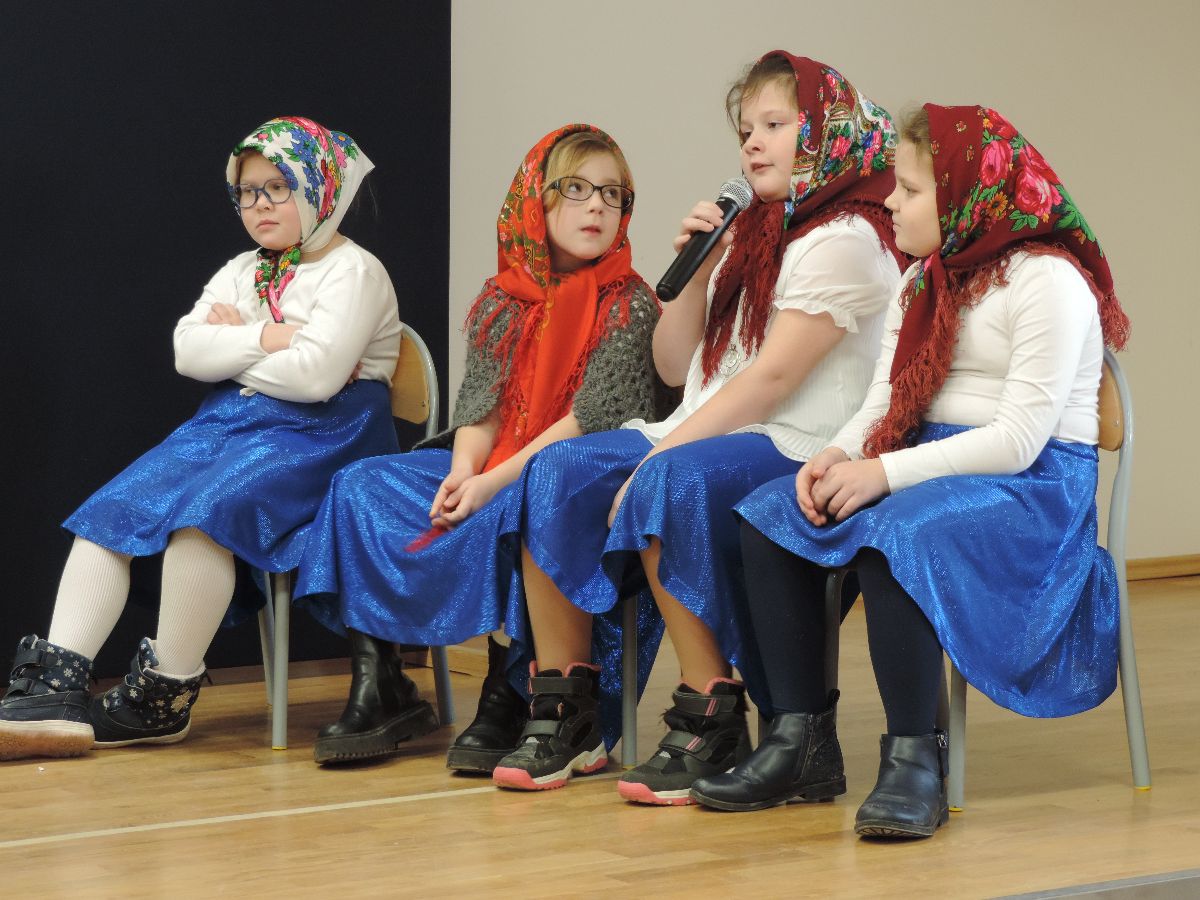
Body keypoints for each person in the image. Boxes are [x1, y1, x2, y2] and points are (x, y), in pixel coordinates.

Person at [691, 104, 1131, 839]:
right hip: (930, 463)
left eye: (911, 189)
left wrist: (885, 474)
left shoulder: (1049, 280)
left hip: (1032, 489)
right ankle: (800, 742)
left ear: (963, 195)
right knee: (769, 517)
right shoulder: (923, 280)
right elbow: (884, 399)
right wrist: (839, 454)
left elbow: (1019, 440)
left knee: (898, 530)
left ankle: (914, 758)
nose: (891, 201)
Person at [490, 52, 903, 800]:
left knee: (671, 477)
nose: (753, 143)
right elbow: (678, 367)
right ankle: (567, 705)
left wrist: (657, 461)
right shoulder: (752, 233)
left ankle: (710, 711)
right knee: (555, 471)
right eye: (746, 130)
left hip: (797, 442)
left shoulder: (845, 239)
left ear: (829, 132)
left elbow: (770, 382)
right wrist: (695, 274)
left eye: (775, 124)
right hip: (709, 425)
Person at [0, 117, 401, 760]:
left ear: (319, 187)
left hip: (326, 436)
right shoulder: (243, 269)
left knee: (205, 515)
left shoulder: (354, 271)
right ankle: (56, 689)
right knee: (115, 508)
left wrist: (233, 345)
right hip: (231, 423)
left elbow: (317, 379)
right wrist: (269, 337)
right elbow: (188, 352)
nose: (259, 205)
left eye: (278, 187)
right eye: (247, 192)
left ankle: (164, 694)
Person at [294, 125, 665, 768]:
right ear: (537, 200)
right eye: (577, 189)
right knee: (360, 485)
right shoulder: (502, 297)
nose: (598, 207)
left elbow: (589, 421)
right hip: (497, 459)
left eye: (613, 193)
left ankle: (508, 688)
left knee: (513, 507)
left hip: (571, 474)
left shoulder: (630, 304)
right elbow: (480, 407)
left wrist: (488, 484)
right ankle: (380, 682)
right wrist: (462, 471)